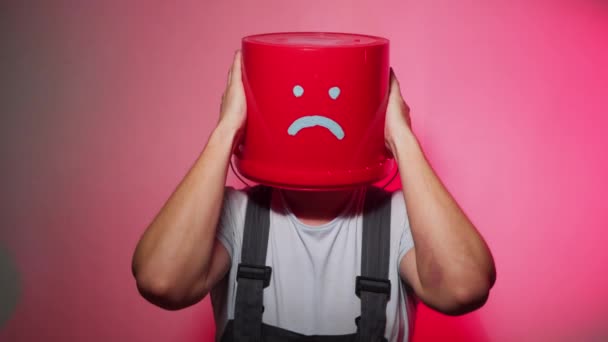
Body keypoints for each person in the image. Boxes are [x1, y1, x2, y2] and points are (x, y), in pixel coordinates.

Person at [131, 51, 496, 341]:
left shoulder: (402, 220)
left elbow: (464, 288)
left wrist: (401, 135)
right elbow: (162, 281)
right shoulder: (235, 216)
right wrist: (227, 128)